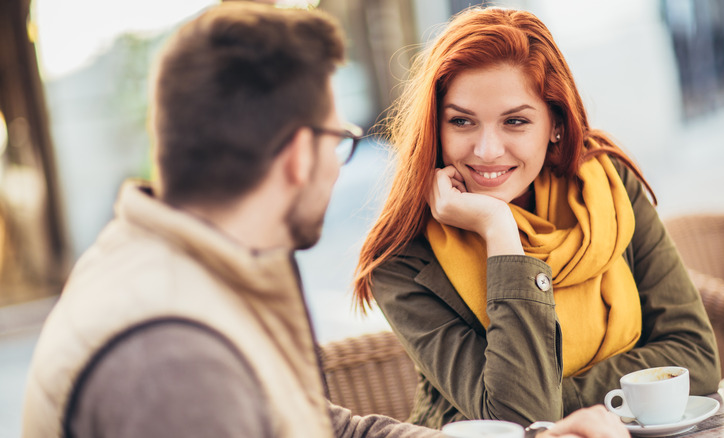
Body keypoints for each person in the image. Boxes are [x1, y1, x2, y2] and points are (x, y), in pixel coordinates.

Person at [20, 3, 629, 438]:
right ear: (295, 156)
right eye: (339, 140)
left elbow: (314, 421)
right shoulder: (174, 359)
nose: (341, 167)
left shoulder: (177, 261)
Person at [354, 6, 721, 429]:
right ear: (434, 127)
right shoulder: (404, 260)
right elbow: (518, 419)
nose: (487, 150)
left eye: (515, 121)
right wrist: (498, 230)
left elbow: (695, 356)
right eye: (461, 121)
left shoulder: (606, 185)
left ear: (555, 124)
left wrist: (554, 396)